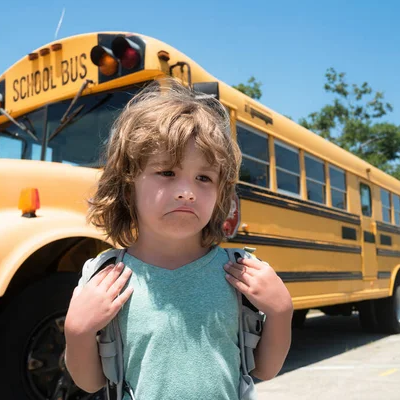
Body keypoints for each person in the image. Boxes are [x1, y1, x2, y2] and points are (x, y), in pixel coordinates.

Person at [64, 78, 293, 400]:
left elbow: (264, 370)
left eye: (204, 178)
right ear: (127, 186)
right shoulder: (105, 277)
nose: (187, 192)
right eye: (167, 173)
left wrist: (282, 311)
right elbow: (90, 382)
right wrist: (77, 330)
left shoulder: (241, 272)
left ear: (221, 194)